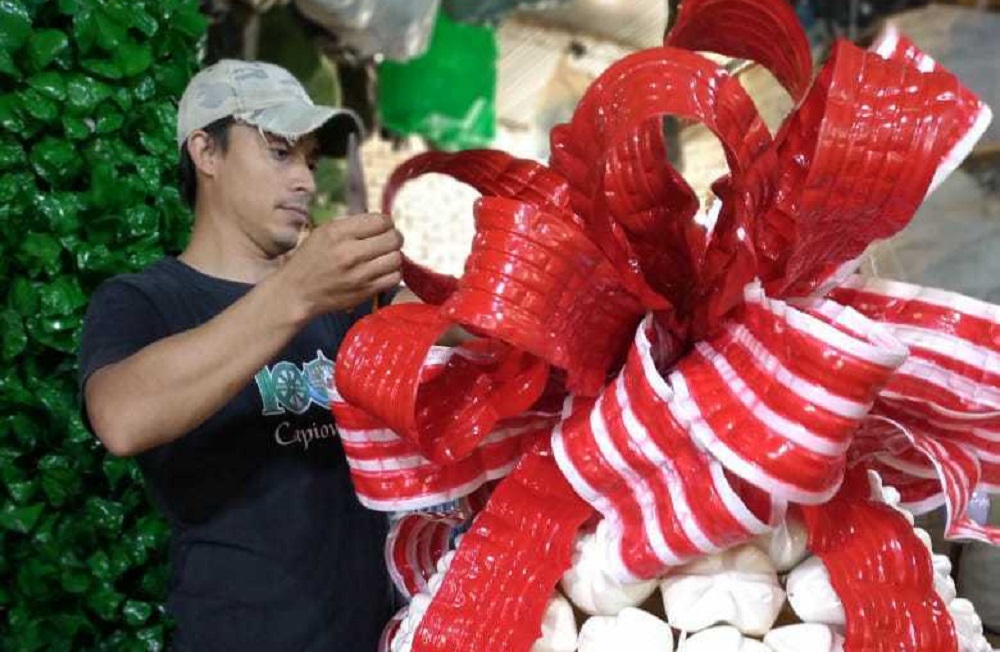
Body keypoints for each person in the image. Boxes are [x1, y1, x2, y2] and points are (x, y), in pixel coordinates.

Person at [78, 59, 408, 650]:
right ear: (206, 152)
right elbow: (120, 417)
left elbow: (462, 334)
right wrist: (297, 290)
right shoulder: (147, 300)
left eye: (310, 161)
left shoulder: (345, 298)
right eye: (280, 153)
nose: (305, 182)